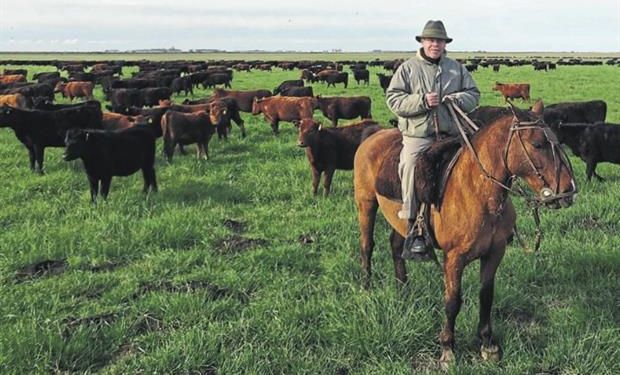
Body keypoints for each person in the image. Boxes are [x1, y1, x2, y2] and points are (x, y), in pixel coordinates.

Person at [386, 20, 480, 261]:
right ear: (422, 42)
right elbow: (393, 100)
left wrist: (457, 99)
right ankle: (414, 227)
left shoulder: (456, 69)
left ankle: (491, 220)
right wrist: (422, 102)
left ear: (444, 44)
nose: (435, 44)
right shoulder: (407, 69)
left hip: (452, 134)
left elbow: (474, 95)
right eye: (431, 40)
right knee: (409, 166)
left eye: (439, 41)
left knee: (483, 162)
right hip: (419, 135)